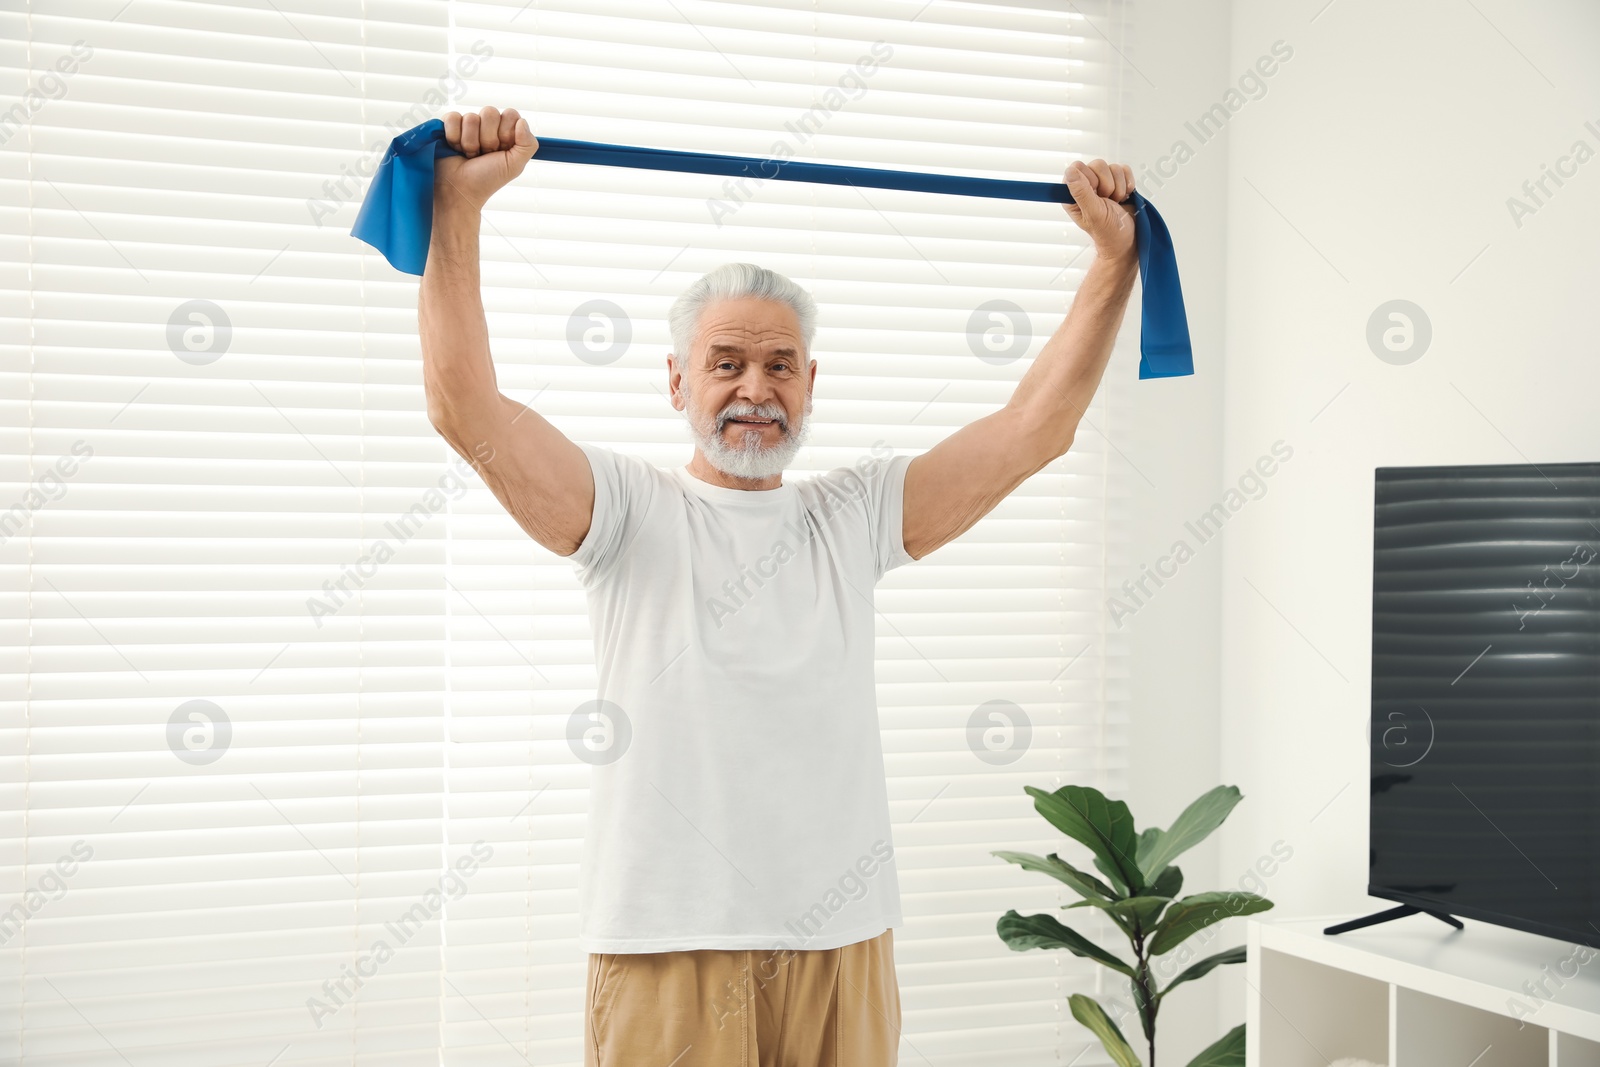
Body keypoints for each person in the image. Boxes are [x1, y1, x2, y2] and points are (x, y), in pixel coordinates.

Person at [420, 106, 1141, 1067]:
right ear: (677, 383)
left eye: (779, 365)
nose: (754, 388)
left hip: (843, 941)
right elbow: (465, 407)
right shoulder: (628, 510)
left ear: (810, 385)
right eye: (726, 363)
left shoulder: (852, 515)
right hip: (668, 945)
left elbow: (1034, 429)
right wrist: (456, 213)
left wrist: (1110, 267)